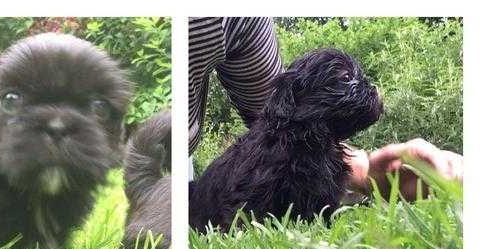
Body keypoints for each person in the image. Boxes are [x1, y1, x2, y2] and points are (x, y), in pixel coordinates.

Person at [188, 17, 463, 200]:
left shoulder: (240, 18)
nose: (370, 88)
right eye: (345, 78)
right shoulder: (266, 170)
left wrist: (366, 170)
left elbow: (267, 110)